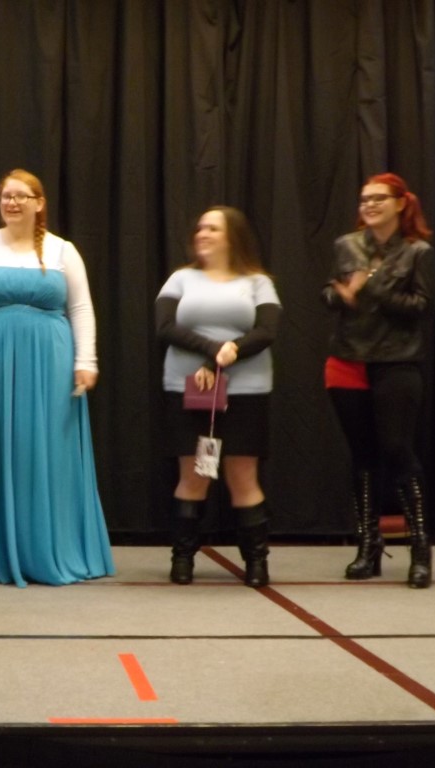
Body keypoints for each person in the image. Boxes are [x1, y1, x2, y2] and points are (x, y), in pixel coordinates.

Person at [0, 169, 114, 586]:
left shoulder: (63, 251)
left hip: (50, 364)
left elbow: (81, 308)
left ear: (39, 203)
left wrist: (86, 359)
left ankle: (47, 547)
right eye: (5, 196)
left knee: (44, 450)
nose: (11, 203)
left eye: (20, 196)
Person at [321, 172, 435, 588]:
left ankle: (420, 550)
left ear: (401, 203)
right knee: (362, 455)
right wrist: (341, 294)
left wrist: (372, 289)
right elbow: (328, 294)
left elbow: (423, 306)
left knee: (397, 449)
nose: (369, 205)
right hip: (347, 360)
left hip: (397, 362)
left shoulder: (417, 252)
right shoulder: (346, 245)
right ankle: (368, 547)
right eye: (364, 199)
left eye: (378, 198)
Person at [155, 206, 281, 586]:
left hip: (246, 390)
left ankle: (256, 562)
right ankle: (182, 559)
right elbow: (165, 326)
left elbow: (266, 331)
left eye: (213, 228)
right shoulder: (181, 278)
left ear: (233, 237)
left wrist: (230, 354)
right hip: (189, 389)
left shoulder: (258, 282)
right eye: (200, 228)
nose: (203, 234)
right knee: (195, 473)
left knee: (242, 475)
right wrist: (214, 350)